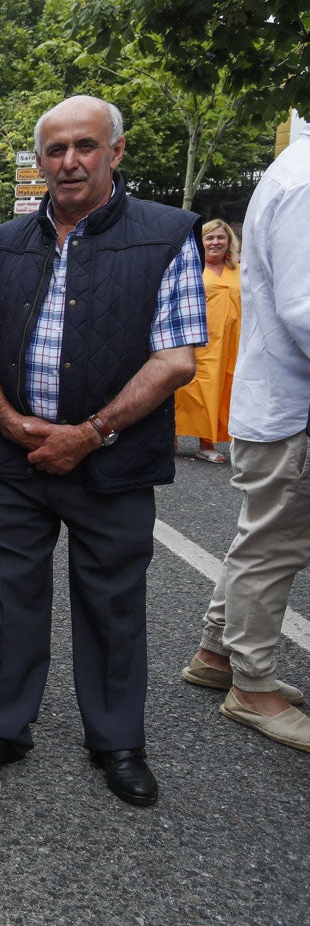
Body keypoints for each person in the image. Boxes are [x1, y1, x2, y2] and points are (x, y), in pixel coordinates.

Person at [0, 95, 203, 806]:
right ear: (39, 160)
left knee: (113, 603)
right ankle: (2, 728)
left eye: (85, 146)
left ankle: (117, 741)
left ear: (114, 153)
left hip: (113, 460)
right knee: (12, 598)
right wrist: (4, 418)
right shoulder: (0, 242)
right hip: (13, 457)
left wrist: (88, 434)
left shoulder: (166, 234)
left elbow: (176, 358)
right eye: (55, 149)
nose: (69, 161)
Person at [182, 123, 310, 752]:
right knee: (274, 546)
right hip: (294, 408)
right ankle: (251, 685)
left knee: (260, 538)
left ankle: (217, 654)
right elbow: (307, 310)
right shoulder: (307, 181)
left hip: (277, 401)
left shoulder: (292, 169)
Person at [173, 218, 241, 463]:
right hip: (201, 341)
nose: (215, 242)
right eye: (209, 237)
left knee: (223, 391)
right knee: (188, 390)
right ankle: (171, 434)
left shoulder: (239, 269)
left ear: (229, 241)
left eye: (221, 237)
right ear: (201, 242)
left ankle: (206, 444)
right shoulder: (193, 267)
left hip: (232, 344)